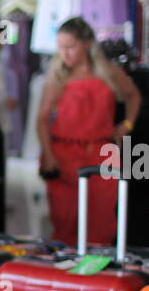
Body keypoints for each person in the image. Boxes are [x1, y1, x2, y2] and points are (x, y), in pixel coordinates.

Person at [37, 16, 142, 245]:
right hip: (65, 154)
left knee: (102, 221)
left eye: (71, 47)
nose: (65, 54)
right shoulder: (57, 77)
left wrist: (127, 124)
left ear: (86, 44)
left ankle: (98, 272)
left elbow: (133, 95)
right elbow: (42, 119)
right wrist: (49, 156)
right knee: (66, 220)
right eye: (61, 48)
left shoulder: (109, 72)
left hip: (101, 153)